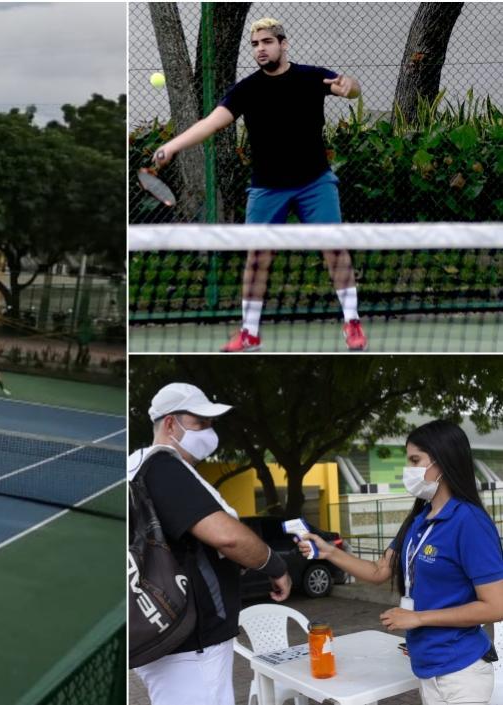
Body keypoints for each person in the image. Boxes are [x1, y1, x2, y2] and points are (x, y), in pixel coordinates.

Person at [152, 18, 368, 353]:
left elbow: (349, 87)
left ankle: (352, 322)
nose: (260, 49)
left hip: (315, 182)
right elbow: (210, 123)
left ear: (283, 43)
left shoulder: (311, 77)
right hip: (267, 188)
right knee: (257, 258)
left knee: (335, 249)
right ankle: (250, 332)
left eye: (267, 42)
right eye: (254, 45)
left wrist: (348, 87)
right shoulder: (246, 90)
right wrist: (173, 146)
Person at [300, 419, 503, 705]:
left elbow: (496, 606)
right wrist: (328, 553)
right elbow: (379, 570)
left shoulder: (469, 522)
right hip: (427, 667)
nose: (408, 470)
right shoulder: (419, 521)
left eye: (415, 460)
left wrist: (418, 618)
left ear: (441, 463)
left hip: (461, 672)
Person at [130, 382, 291, 705]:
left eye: (211, 423)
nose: (209, 431)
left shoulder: (139, 466)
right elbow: (226, 535)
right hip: (191, 643)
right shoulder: (163, 467)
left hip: (171, 637)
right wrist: (276, 565)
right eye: (200, 423)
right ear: (171, 424)